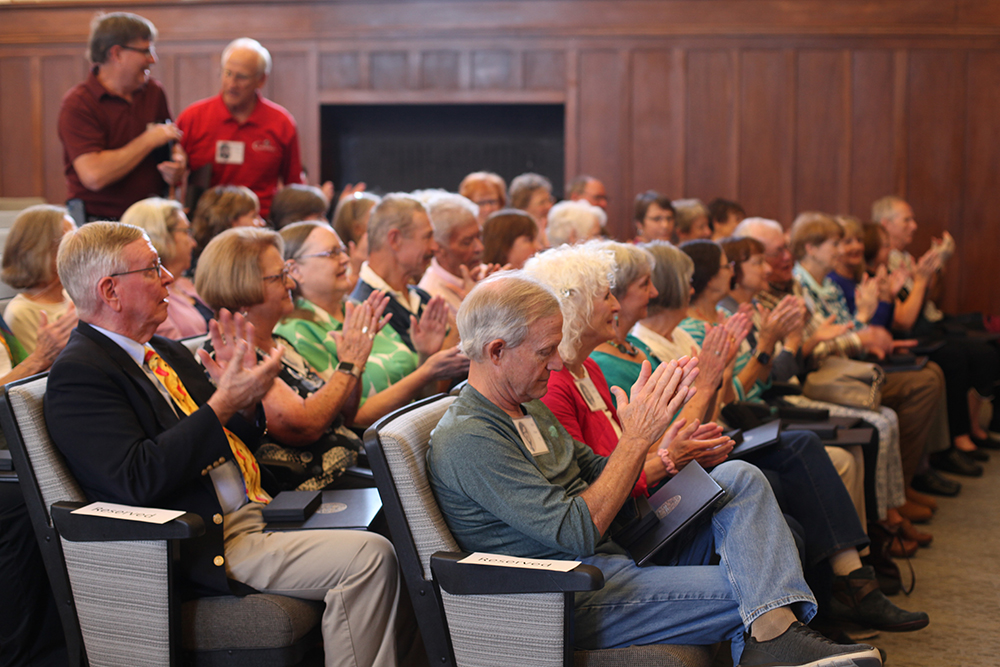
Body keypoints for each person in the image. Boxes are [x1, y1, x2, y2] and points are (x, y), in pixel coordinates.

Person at [427, 271, 884, 667]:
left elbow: (601, 471)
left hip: (615, 551)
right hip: (567, 592)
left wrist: (664, 453)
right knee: (765, 592)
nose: (557, 362)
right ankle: (776, 640)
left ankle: (773, 645)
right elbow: (575, 532)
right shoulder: (469, 438)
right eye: (545, 350)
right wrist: (636, 439)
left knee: (737, 478)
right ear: (497, 350)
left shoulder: (526, 406)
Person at [45, 221, 400, 667]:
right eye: (153, 268)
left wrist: (246, 401)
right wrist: (221, 406)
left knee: (394, 523)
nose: (169, 278)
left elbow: (237, 438)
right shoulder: (80, 375)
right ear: (111, 291)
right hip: (208, 539)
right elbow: (135, 480)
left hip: (259, 510)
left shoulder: (164, 352)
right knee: (370, 558)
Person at [526, 242, 927, 634]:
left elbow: (629, 453)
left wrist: (674, 437)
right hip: (628, 519)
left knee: (768, 484)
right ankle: (826, 611)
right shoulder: (564, 383)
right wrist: (672, 444)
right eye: (607, 295)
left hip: (641, 493)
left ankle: (818, 616)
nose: (617, 303)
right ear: (574, 306)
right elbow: (600, 486)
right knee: (781, 493)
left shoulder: (587, 372)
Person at [276, 221, 468, 428]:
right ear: (294, 270)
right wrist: (425, 372)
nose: (345, 259)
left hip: (417, 429)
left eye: (342, 250)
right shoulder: (295, 331)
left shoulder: (360, 308)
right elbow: (352, 417)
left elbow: (424, 397)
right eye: (331, 253)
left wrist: (425, 356)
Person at [58, 12, 185, 221]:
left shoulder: (154, 92)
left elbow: (170, 141)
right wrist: (148, 140)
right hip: (99, 225)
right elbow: (94, 176)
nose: (153, 59)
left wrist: (177, 164)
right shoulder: (78, 103)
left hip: (152, 219)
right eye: (145, 51)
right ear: (116, 53)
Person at [177, 38, 304, 219]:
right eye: (227, 73)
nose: (232, 83)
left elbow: (293, 185)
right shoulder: (193, 117)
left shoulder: (281, 122)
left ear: (261, 80)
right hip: (207, 223)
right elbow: (173, 173)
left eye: (241, 77)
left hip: (260, 223)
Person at [121, 197, 211, 339]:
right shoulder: (149, 298)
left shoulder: (184, 284)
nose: (193, 243)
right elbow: (174, 353)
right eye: (186, 231)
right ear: (163, 236)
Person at [2, 205, 77, 354]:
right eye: (70, 243)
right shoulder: (21, 312)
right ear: (43, 251)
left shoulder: (72, 296)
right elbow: (38, 372)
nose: (81, 250)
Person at [508, 172, 554, 245]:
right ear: (522, 207)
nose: (549, 206)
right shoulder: (516, 238)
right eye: (542, 202)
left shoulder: (553, 230)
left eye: (549, 200)